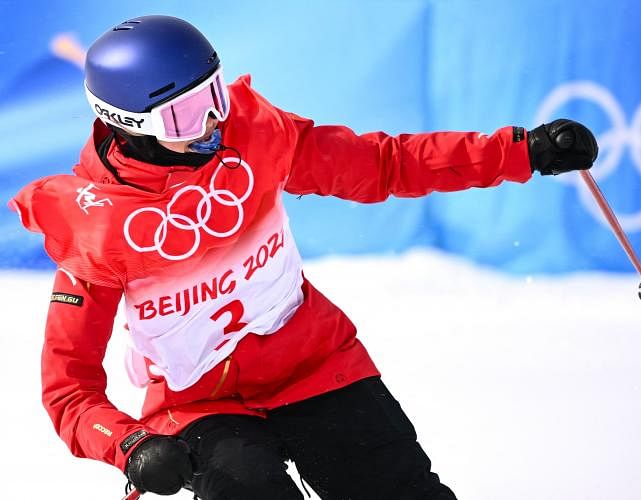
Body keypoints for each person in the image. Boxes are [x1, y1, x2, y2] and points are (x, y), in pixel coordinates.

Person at [9, 15, 597, 500]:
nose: (214, 122)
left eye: (213, 95)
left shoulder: (254, 136)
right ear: (128, 123)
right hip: (202, 408)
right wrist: (130, 445)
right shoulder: (99, 227)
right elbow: (68, 388)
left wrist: (521, 151)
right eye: (187, 115)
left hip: (316, 366)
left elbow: (381, 163)